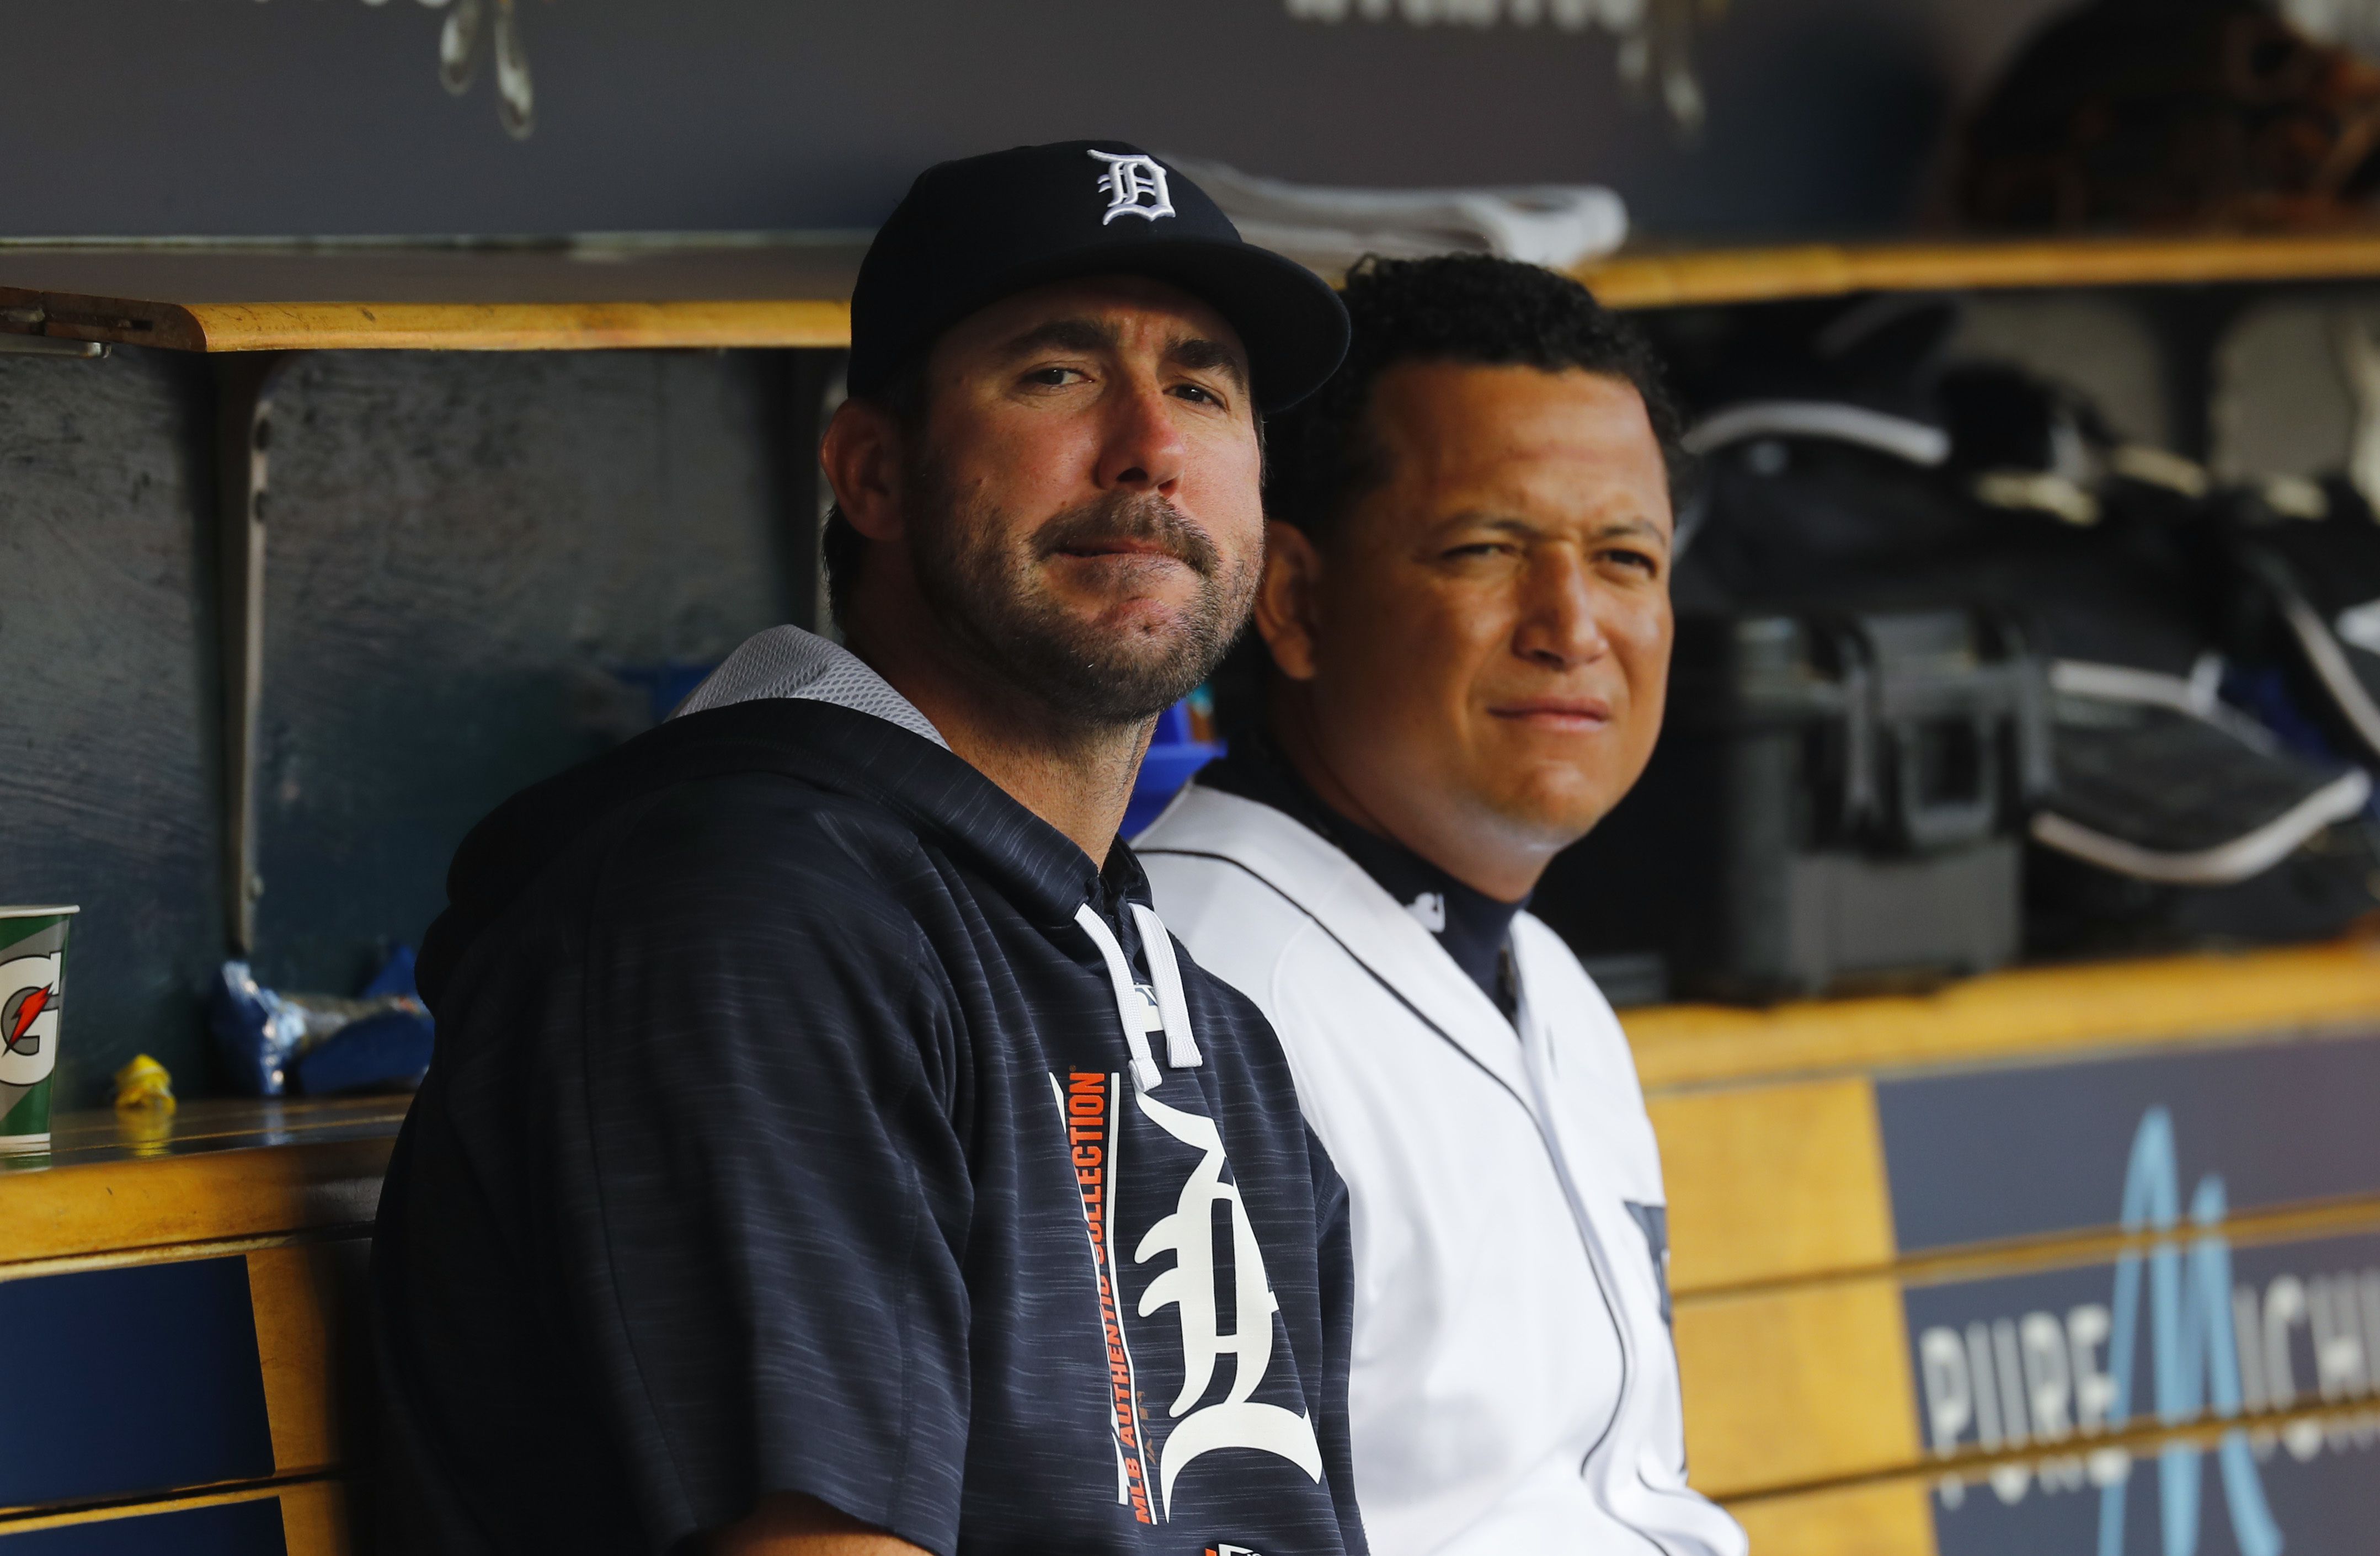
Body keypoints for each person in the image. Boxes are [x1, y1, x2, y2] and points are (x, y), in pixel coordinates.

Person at [370, 141, 1369, 1556]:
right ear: (873, 472)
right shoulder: (752, 918)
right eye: (1058, 375)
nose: (1151, 445)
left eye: (1204, 387)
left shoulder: (1198, 1020)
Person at [1136, 255, 1747, 1556]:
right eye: (1487, 551)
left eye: (1626, 558)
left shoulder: (1539, 971)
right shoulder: (1188, 1000)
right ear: (1294, 602)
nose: (1572, 623)